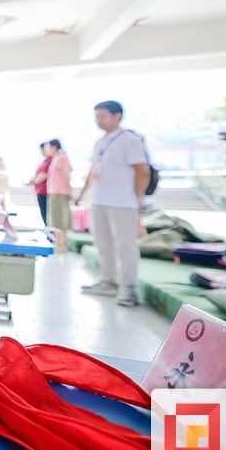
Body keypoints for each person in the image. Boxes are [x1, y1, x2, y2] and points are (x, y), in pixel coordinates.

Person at [74, 100, 150, 307]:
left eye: (102, 116)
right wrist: (82, 195)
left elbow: (143, 171)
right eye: (96, 116)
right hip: (99, 201)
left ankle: (129, 289)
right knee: (103, 244)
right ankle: (108, 282)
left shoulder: (129, 139)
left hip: (122, 202)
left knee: (126, 246)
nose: (98, 120)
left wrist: (136, 198)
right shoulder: (100, 141)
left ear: (117, 116)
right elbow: (93, 170)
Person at [45, 139, 72, 252]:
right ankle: (58, 242)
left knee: (59, 219)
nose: (47, 150)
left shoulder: (62, 158)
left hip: (60, 192)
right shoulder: (55, 159)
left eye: (49, 147)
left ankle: (61, 244)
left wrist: (70, 190)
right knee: (55, 219)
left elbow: (66, 175)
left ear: (54, 147)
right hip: (54, 191)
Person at [26, 143, 52, 226]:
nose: (41, 152)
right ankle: (49, 234)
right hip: (40, 191)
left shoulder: (50, 160)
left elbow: (43, 175)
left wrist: (32, 182)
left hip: (45, 192)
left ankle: (50, 235)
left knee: (46, 214)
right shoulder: (45, 161)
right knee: (44, 214)